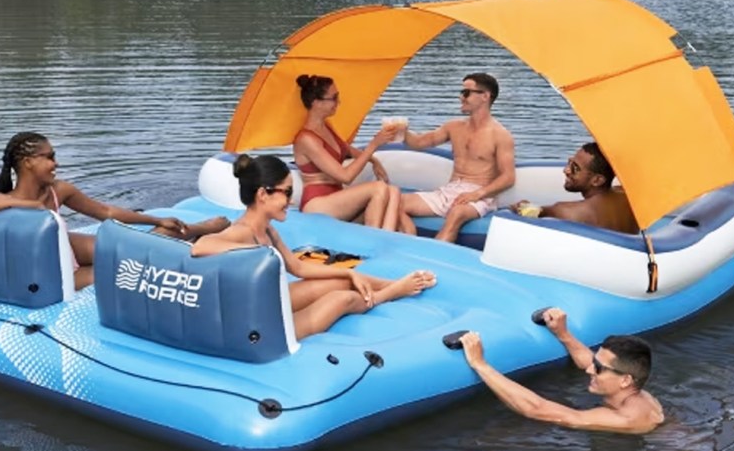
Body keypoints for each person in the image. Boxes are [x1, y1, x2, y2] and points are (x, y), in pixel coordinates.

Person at [191, 154, 436, 339]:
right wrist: (255, 254)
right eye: (286, 193)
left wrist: (349, 272)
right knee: (343, 299)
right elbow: (200, 246)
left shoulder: (267, 229)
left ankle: (393, 284)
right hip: (260, 327)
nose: (291, 200)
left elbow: (298, 268)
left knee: (340, 281)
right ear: (263, 195)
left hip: (268, 303)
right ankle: (391, 293)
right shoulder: (242, 231)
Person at [0, 132, 230, 290]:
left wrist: (154, 217)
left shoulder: (58, 190)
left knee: (143, 243)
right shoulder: (7, 200)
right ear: (28, 163)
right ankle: (198, 232)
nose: (55, 163)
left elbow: (105, 210)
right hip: (53, 269)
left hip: (67, 247)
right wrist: (32, 206)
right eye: (48, 157)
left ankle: (198, 229)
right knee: (129, 267)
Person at [459, 307, 664, 434]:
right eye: (595, 362)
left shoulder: (629, 418)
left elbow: (537, 410)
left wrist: (480, 364)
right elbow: (588, 362)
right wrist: (563, 333)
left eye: (598, 368)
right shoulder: (631, 388)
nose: (589, 370)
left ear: (626, 381)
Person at [399, 72, 516, 242]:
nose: (461, 97)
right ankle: (410, 242)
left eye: (466, 92)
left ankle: (434, 260)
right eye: (461, 92)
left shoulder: (500, 135)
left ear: (485, 96)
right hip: (450, 190)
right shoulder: (454, 127)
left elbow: (508, 177)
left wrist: (477, 194)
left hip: (479, 195)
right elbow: (418, 143)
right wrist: (402, 131)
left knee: (457, 213)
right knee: (396, 202)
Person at [293, 74, 408, 232]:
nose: (338, 102)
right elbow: (345, 177)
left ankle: (389, 240)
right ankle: (373, 243)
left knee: (393, 191)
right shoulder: (306, 139)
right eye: (333, 98)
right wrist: (374, 145)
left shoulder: (326, 126)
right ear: (316, 103)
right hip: (317, 205)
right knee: (378, 188)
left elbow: (347, 150)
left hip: (336, 199)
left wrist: (374, 161)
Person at [510, 141, 639, 234]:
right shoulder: (629, 197)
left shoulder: (567, 211)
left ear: (597, 180)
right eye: (569, 163)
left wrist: (523, 207)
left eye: (575, 168)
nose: (566, 170)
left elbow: (534, 212)